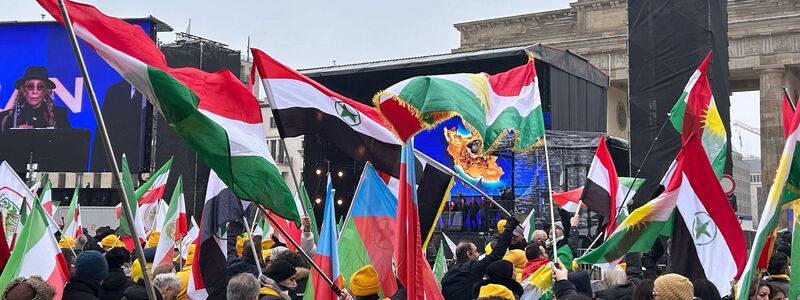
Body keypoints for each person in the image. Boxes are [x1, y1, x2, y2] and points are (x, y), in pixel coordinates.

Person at [441, 216, 518, 300]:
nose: (478, 255)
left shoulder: (448, 275)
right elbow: (496, 255)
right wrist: (509, 229)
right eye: (476, 251)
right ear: (469, 254)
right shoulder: (472, 268)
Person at [1, 66, 71, 132]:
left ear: (46, 90)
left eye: (40, 87)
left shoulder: (59, 115)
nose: (35, 91)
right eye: (30, 86)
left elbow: (69, 142)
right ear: (23, 89)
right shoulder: (6, 118)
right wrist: (16, 132)